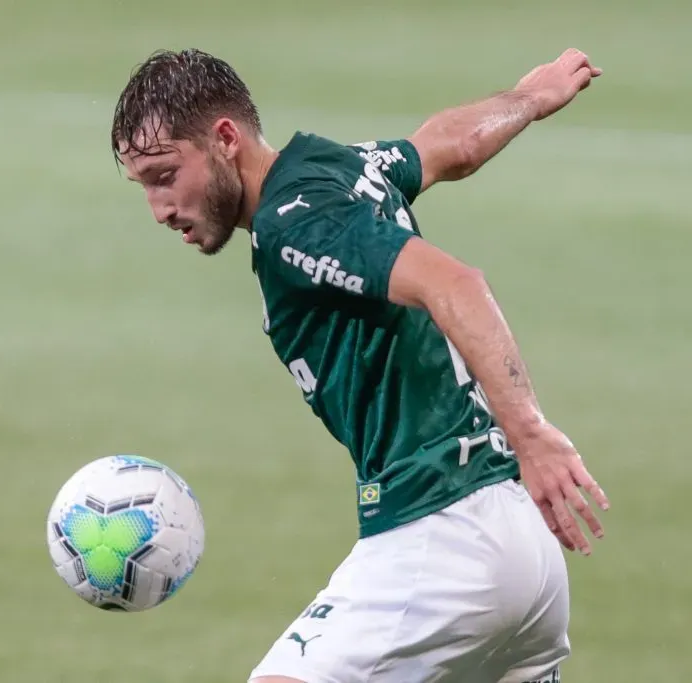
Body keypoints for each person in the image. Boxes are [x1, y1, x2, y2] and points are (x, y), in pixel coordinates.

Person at [110, 47, 611, 683]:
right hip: (524, 549)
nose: (158, 208)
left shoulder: (297, 224)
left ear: (225, 138)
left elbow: (456, 285)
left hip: (444, 536)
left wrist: (532, 433)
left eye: (163, 175)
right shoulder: (334, 168)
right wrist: (530, 100)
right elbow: (446, 144)